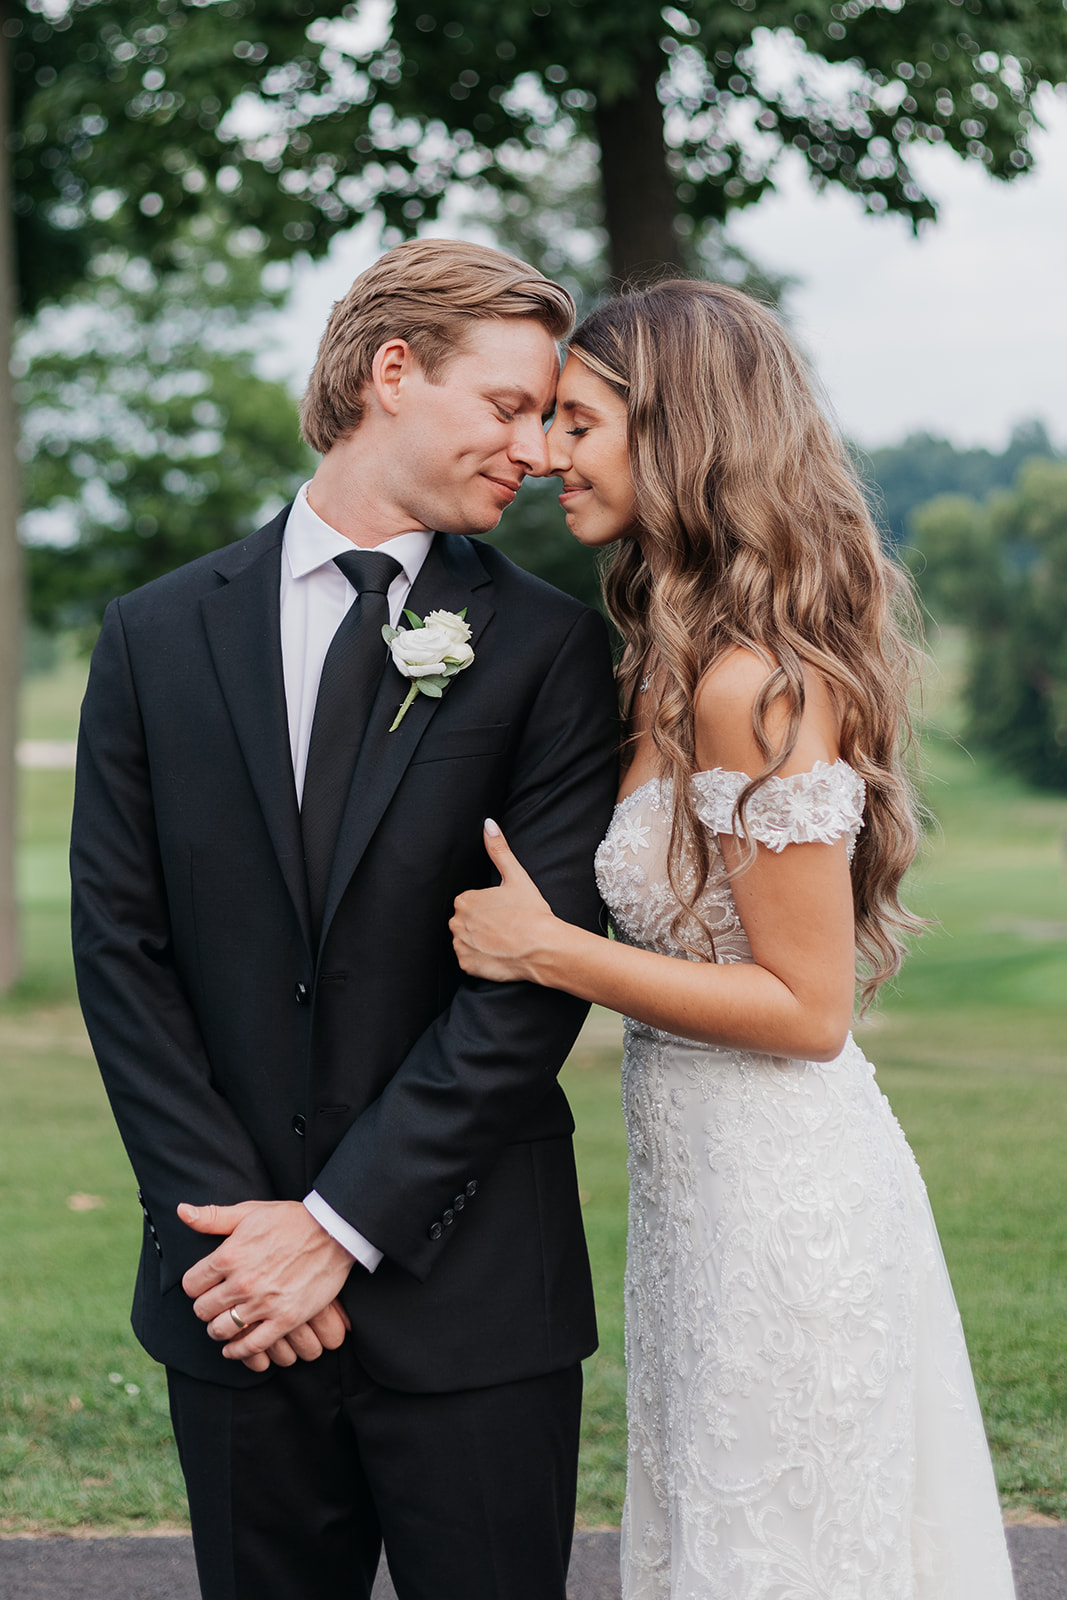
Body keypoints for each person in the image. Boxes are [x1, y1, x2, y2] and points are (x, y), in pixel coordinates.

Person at [70, 238, 619, 1600]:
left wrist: (339, 1225)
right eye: (509, 406)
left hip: (474, 1299)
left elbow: (529, 988)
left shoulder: (555, 654)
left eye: (552, 418)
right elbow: (122, 955)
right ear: (391, 371)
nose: (537, 450)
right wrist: (244, 1242)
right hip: (235, 1303)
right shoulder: (151, 635)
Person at [451, 280, 1017, 1599]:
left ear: (679, 432)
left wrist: (554, 952)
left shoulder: (749, 680)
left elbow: (808, 1008)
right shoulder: (662, 653)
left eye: (577, 423)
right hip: (694, 1200)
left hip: (785, 1207)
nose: (543, 456)